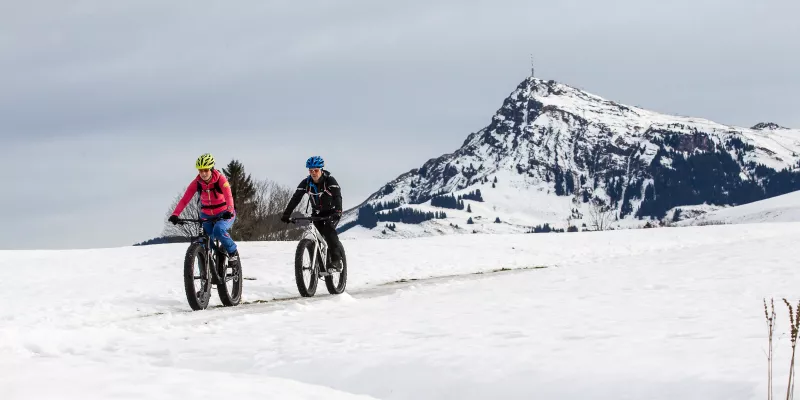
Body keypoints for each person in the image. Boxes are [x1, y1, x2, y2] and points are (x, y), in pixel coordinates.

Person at [168, 153, 240, 269]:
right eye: (201, 170)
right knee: (203, 241)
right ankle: (204, 275)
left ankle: (232, 252)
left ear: (211, 168)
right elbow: (185, 199)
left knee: (218, 230)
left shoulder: (221, 179)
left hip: (224, 213)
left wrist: (229, 210)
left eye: (206, 170)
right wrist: (175, 214)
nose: (203, 173)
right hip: (206, 215)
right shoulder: (197, 183)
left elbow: (229, 196)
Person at [281, 156, 344, 271]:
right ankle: (318, 261)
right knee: (317, 235)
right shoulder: (306, 183)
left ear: (321, 169)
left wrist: (338, 211)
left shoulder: (330, 181)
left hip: (332, 212)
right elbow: (296, 198)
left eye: (316, 170)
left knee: (329, 232)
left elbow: (337, 196)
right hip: (317, 213)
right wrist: (286, 214)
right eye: (310, 170)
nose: (313, 173)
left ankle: (337, 260)